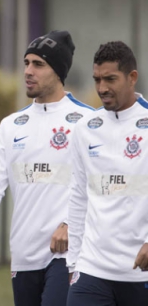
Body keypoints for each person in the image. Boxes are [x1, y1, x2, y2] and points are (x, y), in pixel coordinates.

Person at [0, 30, 94, 306]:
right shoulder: (11, 125)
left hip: (68, 254)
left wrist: (69, 223)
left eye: (38, 64)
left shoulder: (87, 121)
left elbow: (99, 186)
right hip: (23, 254)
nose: (28, 71)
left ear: (58, 71)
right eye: (26, 63)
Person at [66, 41, 148, 306]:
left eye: (110, 79)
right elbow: (79, 196)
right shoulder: (84, 128)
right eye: (97, 79)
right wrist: (73, 261)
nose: (102, 88)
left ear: (132, 77)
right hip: (92, 269)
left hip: (139, 273)